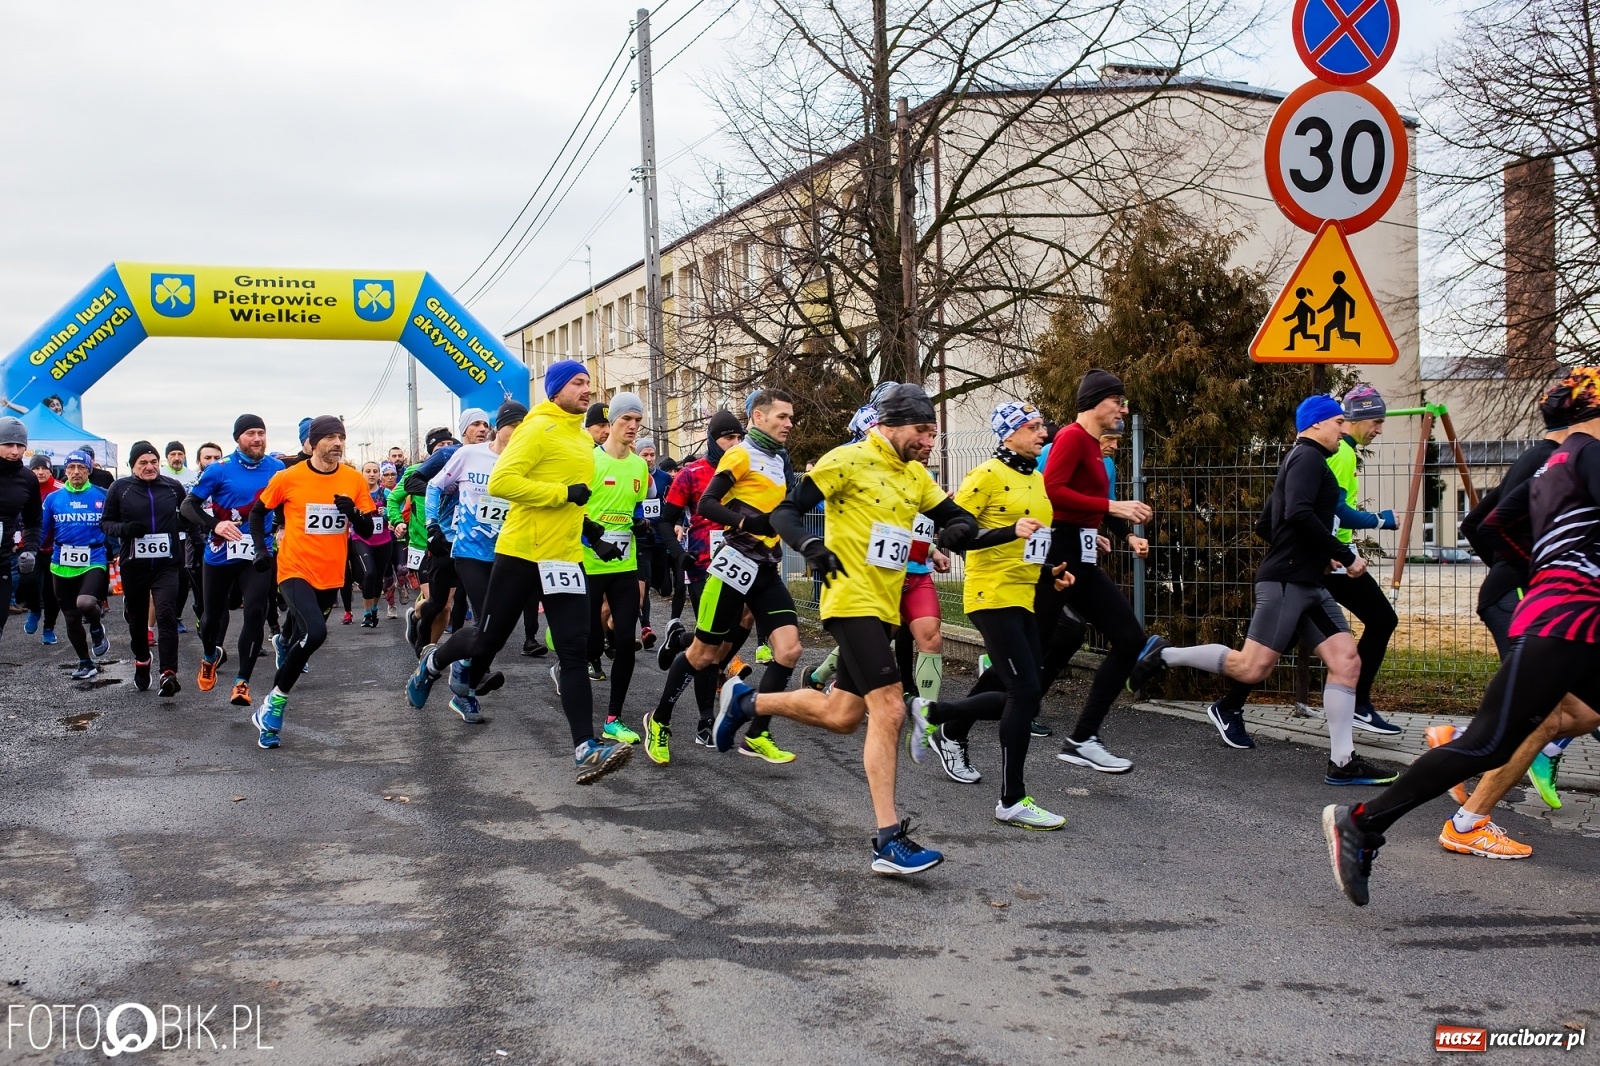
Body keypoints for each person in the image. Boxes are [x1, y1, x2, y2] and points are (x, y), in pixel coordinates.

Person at [1324, 367, 1600, 906]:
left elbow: (1491, 526)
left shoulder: (1551, 468)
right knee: (1488, 743)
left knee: (1534, 727)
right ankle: (1361, 821)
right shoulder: (1588, 453)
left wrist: (1540, 571)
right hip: (1565, 624)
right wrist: (1559, 580)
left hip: (1568, 620)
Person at [716, 384, 991, 875]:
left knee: (843, 715)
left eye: (934, 432)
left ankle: (747, 701)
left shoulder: (914, 475)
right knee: (888, 709)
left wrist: (958, 530)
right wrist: (809, 544)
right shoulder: (846, 459)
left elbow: (958, 516)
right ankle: (888, 840)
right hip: (849, 600)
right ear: (891, 426)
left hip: (883, 608)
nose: (931, 441)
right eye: (923, 431)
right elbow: (785, 511)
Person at [1140, 395, 1398, 786]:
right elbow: (1297, 514)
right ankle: (1165, 653)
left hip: (1308, 580)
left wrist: (1316, 554)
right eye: (1338, 423)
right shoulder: (1308, 458)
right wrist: (1343, 555)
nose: (1345, 430)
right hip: (1286, 583)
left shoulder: (1308, 461)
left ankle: (1343, 762)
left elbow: (1267, 524)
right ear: (1315, 425)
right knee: (1252, 666)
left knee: (1347, 662)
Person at [406, 361, 633, 784]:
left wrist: (593, 535)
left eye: (588, 382)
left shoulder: (581, 439)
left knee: (574, 650)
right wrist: (562, 493)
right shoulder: (536, 427)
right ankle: (433, 661)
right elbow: (503, 483)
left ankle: (585, 747)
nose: (587, 389)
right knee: (485, 637)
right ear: (556, 389)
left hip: (564, 558)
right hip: (521, 553)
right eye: (577, 383)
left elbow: (574, 502)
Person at [1427, 382, 1600, 858]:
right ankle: (1469, 818)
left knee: (1579, 712)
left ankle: (1463, 748)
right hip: (1523, 595)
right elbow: (1478, 523)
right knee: (1538, 714)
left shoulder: (1560, 457)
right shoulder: (1550, 458)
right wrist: (1528, 568)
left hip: (1531, 594)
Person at [1205, 384, 1402, 747]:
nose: (1378, 429)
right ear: (1348, 421)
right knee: (1381, 619)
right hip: (1324, 557)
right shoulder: (1335, 453)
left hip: (1314, 559)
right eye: (1375, 421)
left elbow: (1283, 516)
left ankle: (1233, 706)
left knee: (1286, 642)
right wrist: (1374, 524)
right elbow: (1322, 510)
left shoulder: (1328, 451)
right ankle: (1357, 705)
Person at [911, 401, 1074, 829]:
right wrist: (1007, 531)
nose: (1042, 432)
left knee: (1023, 690)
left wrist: (1049, 574)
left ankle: (936, 716)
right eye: (1033, 426)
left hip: (1025, 594)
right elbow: (955, 537)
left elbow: (1029, 545)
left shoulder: (1036, 478)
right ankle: (1012, 799)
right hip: (990, 595)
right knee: (1024, 693)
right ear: (1008, 434)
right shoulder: (984, 475)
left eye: (1042, 426)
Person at [642, 390, 799, 766]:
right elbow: (710, 503)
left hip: (765, 569)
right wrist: (747, 522)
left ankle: (758, 732)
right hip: (732, 567)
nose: (789, 423)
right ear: (759, 418)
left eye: (791, 417)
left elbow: (785, 511)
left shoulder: (779, 460)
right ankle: (659, 721)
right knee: (703, 654)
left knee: (790, 650)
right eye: (782, 416)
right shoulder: (741, 454)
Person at [1034, 369, 1153, 772]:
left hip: (1081, 554)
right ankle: (950, 721)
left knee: (1129, 637)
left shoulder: (1095, 451)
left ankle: (1082, 737)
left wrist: (1121, 532)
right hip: (1059, 551)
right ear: (1096, 402)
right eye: (1117, 400)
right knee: (1030, 647)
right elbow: (1052, 490)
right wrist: (1110, 510)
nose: (1123, 407)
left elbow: (1090, 500)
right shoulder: (1070, 437)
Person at [247, 416, 378, 748]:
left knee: (303, 640)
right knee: (316, 633)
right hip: (294, 569)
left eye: (341, 437)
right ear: (314, 442)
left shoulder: (353, 479)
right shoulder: (288, 477)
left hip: (330, 575)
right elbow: (258, 512)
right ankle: (274, 704)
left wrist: (354, 514)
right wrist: (261, 549)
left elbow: (366, 531)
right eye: (330, 437)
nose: (337, 442)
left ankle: (283, 654)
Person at [647, 412, 749, 749]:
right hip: (704, 567)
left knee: (727, 636)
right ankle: (706, 720)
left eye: (739, 438)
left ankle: (679, 641)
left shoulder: (747, 471)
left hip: (742, 566)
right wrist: (678, 553)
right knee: (710, 648)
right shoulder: (692, 474)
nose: (735, 445)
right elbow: (666, 520)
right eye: (728, 438)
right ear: (712, 439)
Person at [424, 400, 526, 722]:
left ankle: (462, 671)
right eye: (514, 427)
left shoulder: (524, 462)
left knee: (495, 630)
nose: (519, 434)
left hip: (506, 552)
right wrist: (432, 526)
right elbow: (433, 485)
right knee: (486, 623)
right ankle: (464, 684)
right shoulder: (469, 454)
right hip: (468, 551)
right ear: (500, 426)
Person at [183, 414, 285, 706]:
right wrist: (214, 524)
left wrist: (281, 527)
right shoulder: (219, 469)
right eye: (251, 433)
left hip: (257, 550)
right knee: (211, 617)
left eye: (261, 433)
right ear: (238, 438)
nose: (257, 438)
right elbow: (188, 506)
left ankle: (242, 681)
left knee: (255, 611)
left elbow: (285, 504)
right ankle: (209, 656)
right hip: (220, 552)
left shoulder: (277, 469)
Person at [575, 391, 651, 742]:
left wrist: (639, 524)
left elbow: (636, 506)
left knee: (624, 639)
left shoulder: (639, 465)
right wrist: (595, 541)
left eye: (637, 421)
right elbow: (573, 512)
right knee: (589, 644)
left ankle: (613, 718)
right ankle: (568, 662)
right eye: (626, 420)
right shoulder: (589, 462)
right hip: (589, 564)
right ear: (611, 425)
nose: (633, 426)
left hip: (624, 565)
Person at [103, 441, 189, 696]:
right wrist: (124, 530)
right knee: (138, 619)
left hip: (167, 565)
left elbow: (187, 517)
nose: (150, 466)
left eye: (153, 462)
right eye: (143, 462)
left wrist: (189, 535)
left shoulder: (173, 487)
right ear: (133, 466)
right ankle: (142, 660)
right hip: (135, 565)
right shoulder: (120, 488)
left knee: (165, 614)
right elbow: (106, 523)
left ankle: (168, 673)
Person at [39, 449, 103, 678]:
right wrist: (32, 550)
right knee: (71, 617)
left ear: (89, 471)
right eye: (71, 468)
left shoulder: (101, 495)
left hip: (93, 559)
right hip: (60, 562)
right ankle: (85, 663)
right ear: (65, 471)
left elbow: (113, 525)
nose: (76, 472)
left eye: (81, 468)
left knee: (85, 603)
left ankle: (96, 625)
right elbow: (43, 530)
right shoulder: (54, 498)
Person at [349, 459, 397, 628]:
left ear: (379, 475)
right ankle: (366, 614)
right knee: (369, 573)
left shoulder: (386, 494)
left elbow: (394, 514)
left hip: (383, 541)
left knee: (378, 578)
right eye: (367, 471)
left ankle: (375, 610)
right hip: (361, 539)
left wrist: (386, 514)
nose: (371, 474)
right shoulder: (356, 493)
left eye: (374, 471)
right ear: (362, 474)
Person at [20, 455, 60, 640]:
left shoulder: (60, 489)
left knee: (52, 593)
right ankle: (34, 609)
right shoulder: (24, 487)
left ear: (50, 471)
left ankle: (48, 628)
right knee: (28, 582)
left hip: (56, 549)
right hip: (31, 546)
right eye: (36, 469)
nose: (40, 472)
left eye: (44, 469)